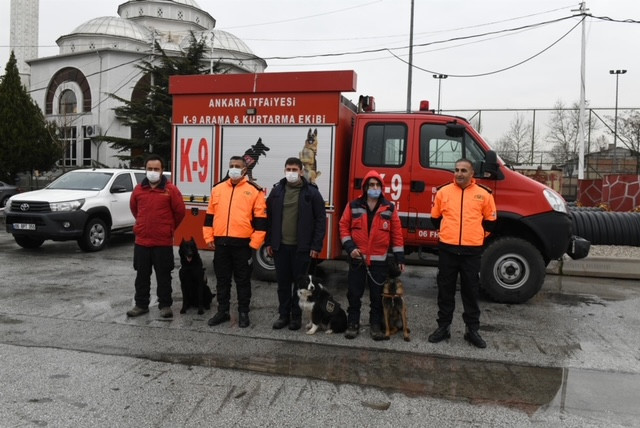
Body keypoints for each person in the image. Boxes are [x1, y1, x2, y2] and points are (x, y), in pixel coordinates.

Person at [428, 158, 497, 348]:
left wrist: (476, 236)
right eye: (456, 169)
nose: (459, 173)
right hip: (447, 249)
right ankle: (443, 327)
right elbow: (435, 219)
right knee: (445, 291)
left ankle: (471, 330)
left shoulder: (484, 195)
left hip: (471, 252)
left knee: (471, 292)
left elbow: (490, 223)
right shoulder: (443, 192)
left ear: (472, 174)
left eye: (464, 170)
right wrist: (447, 233)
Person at [339, 170, 405, 341]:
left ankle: (375, 325)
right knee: (354, 294)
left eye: (377, 185)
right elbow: (343, 227)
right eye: (371, 185)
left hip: (379, 261)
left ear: (381, 188)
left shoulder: (389, 208)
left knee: (377, 296)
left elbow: (396, 234)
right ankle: (353, 323)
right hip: (357, 259)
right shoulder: (353, 205)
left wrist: (400, 258)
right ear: (365, 187)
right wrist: (350, 247)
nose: (374, 188)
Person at [203, 156, 267, 328]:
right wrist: (209, 237)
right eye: (231, 166)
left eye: (237, 166)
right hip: (221, 244)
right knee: (222, 280)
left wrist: (253, 245)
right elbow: (209, 217)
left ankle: (243, 313)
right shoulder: (218, 189)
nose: (233, 169)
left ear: (245, 170)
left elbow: (261, 222)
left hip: (242, 246)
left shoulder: (254, 190)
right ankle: (222, 311)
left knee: (243, 281)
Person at [266, 157, 326, 331]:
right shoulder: (277, 191)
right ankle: (283, 316)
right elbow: (269, 218)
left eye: (294, 169)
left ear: (301, 171)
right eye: (288, 169)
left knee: (299, 286)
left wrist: (316, 246)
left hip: (302, 248)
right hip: (280, 247)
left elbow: (320, 220)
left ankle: (296, 318)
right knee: (283, 284)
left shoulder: (311, 193)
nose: (291, 172)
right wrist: (269, 242)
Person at [127, 154, 185, 319]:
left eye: (156, 169)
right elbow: (135, 209)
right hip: (142, 242)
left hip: (162, 242)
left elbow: (180, 212)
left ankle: (165, 305)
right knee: (141, 276)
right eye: (150, 169)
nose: (153, 172)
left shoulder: (171, 190)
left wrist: (168, 228)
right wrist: (142, 224)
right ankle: (141, 305)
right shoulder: (138, 190)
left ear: (162, 170)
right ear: (145, 170)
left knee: (164, 275)